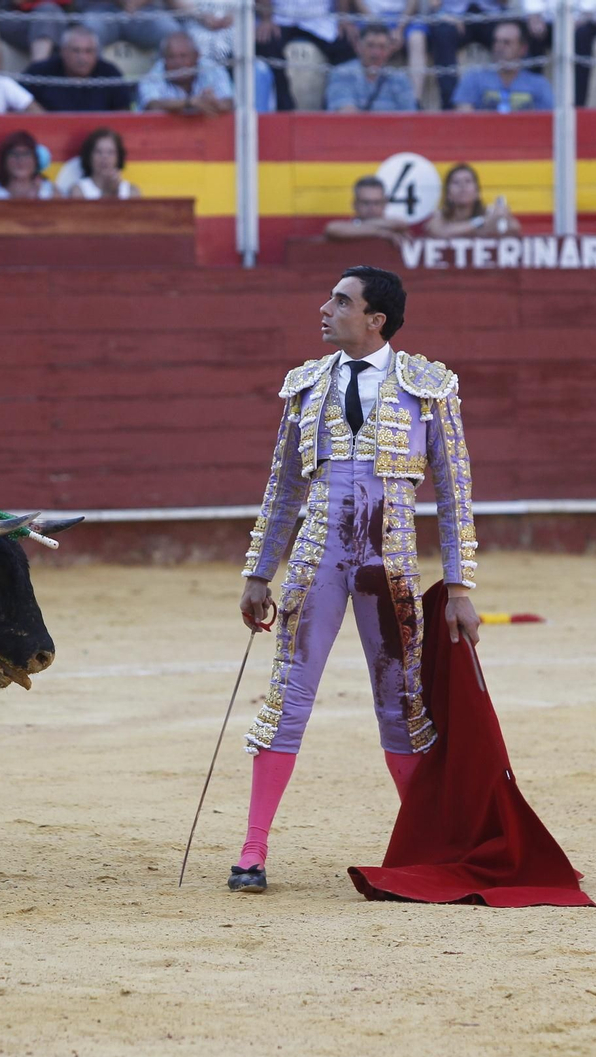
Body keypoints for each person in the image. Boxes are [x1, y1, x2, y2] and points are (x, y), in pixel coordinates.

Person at [231, 265, 480, 894]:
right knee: (287, 697)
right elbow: (282, 488)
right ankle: (253, 849)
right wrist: (260, 572)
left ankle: (422, 846)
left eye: (340, 301)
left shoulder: (428, 387)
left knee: (403, 707)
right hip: (316, 559)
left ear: (376, 319)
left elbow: (455, 497)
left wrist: (459, 587)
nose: (325, 308)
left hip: (389, 564)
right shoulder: (305, 386)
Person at [256, 0, 356, 112]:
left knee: (347, 45)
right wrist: (266, 18)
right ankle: (284, 109)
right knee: (265, 43)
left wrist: (343, 18)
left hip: (319, 18)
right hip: (280, 17)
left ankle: (333, 108)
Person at [23, 25, 135, 112]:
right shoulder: (40, 72)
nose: (82, 58)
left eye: (88, 51)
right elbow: (18, 101)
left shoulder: (110, 74)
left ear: (96, 52)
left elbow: (124, 112)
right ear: (63, 51)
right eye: (76, 51)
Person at [451, 20, 552, 112]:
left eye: (506, 42)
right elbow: (464, 121)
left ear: (523, 49)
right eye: (496, 41)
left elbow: (549, 122)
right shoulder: (473, 79)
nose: (499, 47)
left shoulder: (539, 84)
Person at [521, 0, 596, 107]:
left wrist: (578, 18)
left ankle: (578, 107)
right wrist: (534, 15)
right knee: (533, 35)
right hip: (547, 20)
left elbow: (590, 8)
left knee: (582, 37)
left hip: (583, 20)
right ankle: (530, 100)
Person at [427, 0, 503, 110]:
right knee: (443, 32)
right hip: (454, 17)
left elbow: (505, 2)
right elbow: (434, 3)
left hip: (492, 16)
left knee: (515, 33)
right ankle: (450, 106)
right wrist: (445, 15)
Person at [326, 23, 417, 112]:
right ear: (358, 46)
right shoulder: (342, 73)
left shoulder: (400, 79)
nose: (376, 53)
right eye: (370, 45)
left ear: (389, 49)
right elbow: (346, 116)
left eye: (382, 47)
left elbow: (409, 117)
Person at [138, 32, 234, 114]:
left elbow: (229, 102)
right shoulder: (153, 75)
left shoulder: (212, 69)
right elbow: (151, 106)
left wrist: (215, 103)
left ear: (196, 56)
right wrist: (190, 103)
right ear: (164, 59)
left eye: (183, 56)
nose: (178, 63)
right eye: (171, 57)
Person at [354, 0, 428, 104]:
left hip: (402, 18)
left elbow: (413, 2)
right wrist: (380, 29)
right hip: (371, 16)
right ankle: (361, 97)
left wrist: (400, 28)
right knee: (361, 37)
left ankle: (415, 101)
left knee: (417, 38)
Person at [423, 162, 519, 238]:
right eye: (456, 182)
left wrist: (504, 217)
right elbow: (440, 232)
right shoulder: (440, 215)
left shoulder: (489, 212)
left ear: (477, 192)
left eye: (468, 181)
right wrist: (483, 222)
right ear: (448, 194)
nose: (462, 186)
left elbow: (515, 228)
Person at [324, 175, 410, 244]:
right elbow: (332, 229)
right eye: (366, 202)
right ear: (355, 204)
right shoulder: (387, 229)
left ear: (384, 204)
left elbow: (399, 223)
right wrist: (378, 232)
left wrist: (363, 228)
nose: (371, 208)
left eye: (376, 202)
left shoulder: (395, 226)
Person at [0, 131, 59, 199]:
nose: (21, 160)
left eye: (26, 154)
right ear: (4, 160)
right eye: (14, 154)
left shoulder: (51, 193)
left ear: (36, 160)